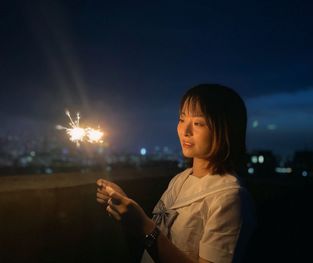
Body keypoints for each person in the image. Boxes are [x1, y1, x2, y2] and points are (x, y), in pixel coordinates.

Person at [96, 84, 256, 263]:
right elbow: (165, 234)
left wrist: (143, 226)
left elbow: (152, 233)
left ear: (225, 129)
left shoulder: (229, 197)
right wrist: (126, 208)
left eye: (198, 123)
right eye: (181, 119)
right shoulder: (181, 179)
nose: (185, 131)